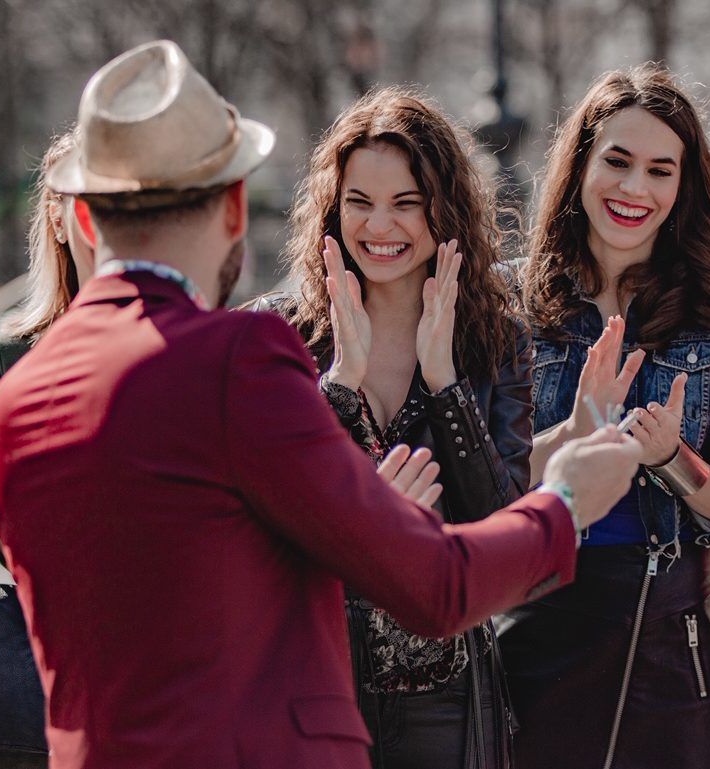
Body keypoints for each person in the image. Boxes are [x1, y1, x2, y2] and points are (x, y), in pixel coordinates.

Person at [0, 39, 645, 769]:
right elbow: (435, 584)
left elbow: (191, 568)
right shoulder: (241, 358)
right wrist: (568, 497)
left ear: (82, 218)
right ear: (235, 207)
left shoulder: (13, 398)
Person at [502, 64, 710, 769]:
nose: (634, 189)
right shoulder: (507, 302)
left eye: (661, 170)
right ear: (581, 164)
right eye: (617, 161)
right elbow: (482, 482)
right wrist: (569, 441)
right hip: (535, 623)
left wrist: (670, 460)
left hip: (675, 634)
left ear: (683, 187)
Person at [252, 87, 531, 769]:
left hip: (444, 698)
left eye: (407, 203)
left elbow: (505, 540)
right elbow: (257, 526)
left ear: (445, 209)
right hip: (307, 687)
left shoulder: (495, 340)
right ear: (332, 207)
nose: (381, 225)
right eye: (360, 202)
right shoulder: (276, 334)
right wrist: (339, 391)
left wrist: (445, 383)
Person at [0, 128, 94, 561]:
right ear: (58, 219)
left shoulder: (185, 346)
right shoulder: (8, 360)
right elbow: (6, 534)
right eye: (90, 196)